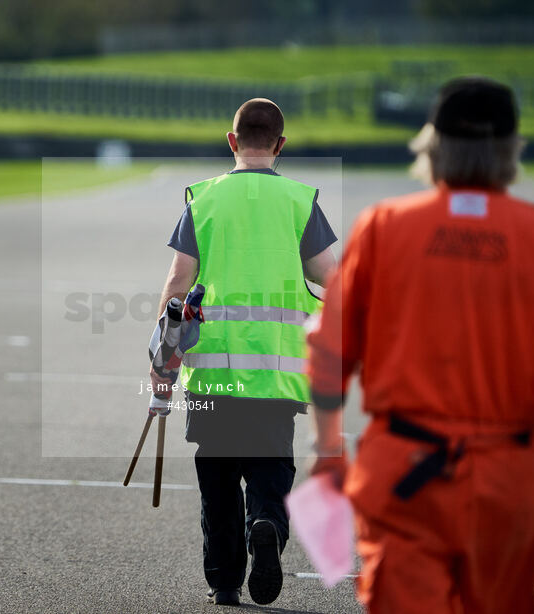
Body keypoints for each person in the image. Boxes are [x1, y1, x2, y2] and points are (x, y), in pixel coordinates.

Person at [305, 77, 534, 614]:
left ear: (431, 146)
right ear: (511, 150)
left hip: (405, 474)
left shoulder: (385, 228)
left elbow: (329, 352)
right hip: (509, 484)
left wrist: (328, 450)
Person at [150, 98, 337, 606]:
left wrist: (162, 364)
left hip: (213, 374)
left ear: (231, 142)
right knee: (271, 463)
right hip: (277, 375)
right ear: (280, 146)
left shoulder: (203, 200)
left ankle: (226, 581)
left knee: (216, 473)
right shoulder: (300, 202)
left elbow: (176, 286)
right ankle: (267, 524)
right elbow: (336, 280)